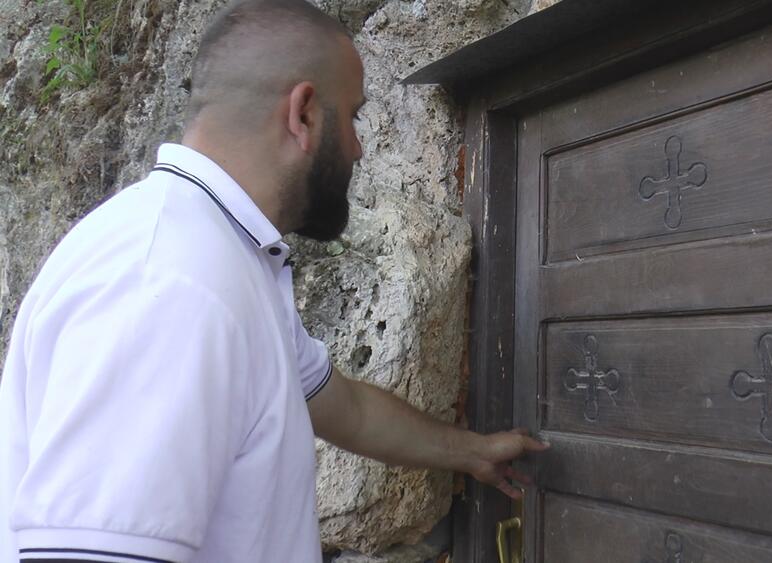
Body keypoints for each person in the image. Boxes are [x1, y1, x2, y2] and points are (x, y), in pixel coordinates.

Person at [0, 1, 547, 561]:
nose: (358, 148)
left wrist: (470, 452)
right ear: (303, 114)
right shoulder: (170, 282)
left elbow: (344, 408)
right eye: (353, 117)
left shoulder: (222, 257)